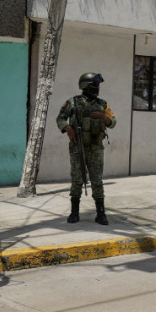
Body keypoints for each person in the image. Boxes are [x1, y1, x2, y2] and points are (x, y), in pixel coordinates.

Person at [56, 72, 116, 225]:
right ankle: (74, 212)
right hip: (78, 147)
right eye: (94, 85)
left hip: (96, 148)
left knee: (97, 180)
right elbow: (60, 118)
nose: (97, 88)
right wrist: (67, 128)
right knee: (77, 179)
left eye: (98, 85)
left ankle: (101, 213)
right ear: (85, 85)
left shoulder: (103, 104)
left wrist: (104, 117)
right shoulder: (73, 102)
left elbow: (113, 122)